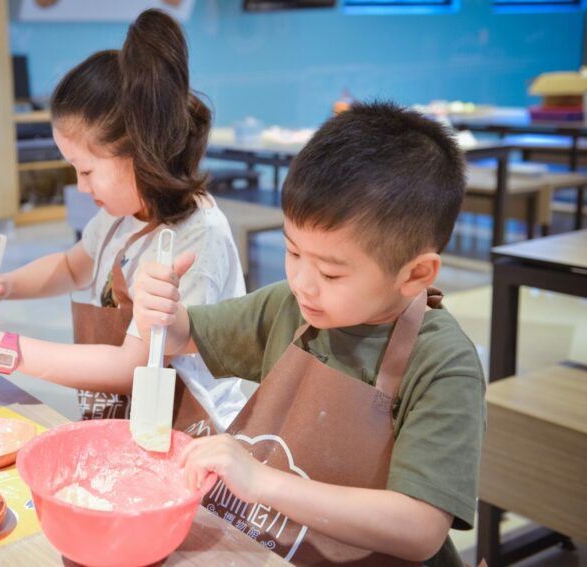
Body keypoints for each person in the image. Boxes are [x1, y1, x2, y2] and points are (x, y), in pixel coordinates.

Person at [131, 101, 486, 566]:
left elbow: (419, 527)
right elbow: (182, 336)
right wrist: (159, 308)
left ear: (416, 273)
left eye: (332, 273)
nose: (303, 282)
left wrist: (262, 482)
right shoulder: (290, 306)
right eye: (293, 252)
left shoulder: (442, 363)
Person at [0, 9, 248, 434]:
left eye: (86, 170)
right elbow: (73, 266)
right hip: (126, 421)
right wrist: (5, 286)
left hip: (191, 432)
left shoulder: (197, 239)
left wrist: (4, 348)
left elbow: (132, 364)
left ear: (143, 154)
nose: (80, 186)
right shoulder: (120, 217)